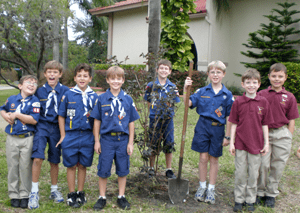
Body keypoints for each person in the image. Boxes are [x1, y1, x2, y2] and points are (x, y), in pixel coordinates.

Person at [183, 60, 233, 204]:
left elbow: (230, 117)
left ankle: (211, 188)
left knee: (214, 159)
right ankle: (202, 186)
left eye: (218, 72)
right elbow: (188, 103)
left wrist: (228, 136)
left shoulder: (227, 95)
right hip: (202, 127)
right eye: (212, 72)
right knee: (203, 158)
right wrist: (186, 89)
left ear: (223, 74)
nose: (215, 75)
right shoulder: (202, 91)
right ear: (208, 74)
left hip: (218, 129)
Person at [91, 66, 140, 211]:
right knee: (103, 168)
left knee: (123, 169)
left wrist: (130, 143)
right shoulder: (101, 99)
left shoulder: (128, 99)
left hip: (122, 140)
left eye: (119, 78)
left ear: (123, 80)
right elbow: (97, 121)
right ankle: (102, 197)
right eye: (112, 78)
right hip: (106, 140)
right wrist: (97, 141)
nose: (115, 81)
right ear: (107, 80)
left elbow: (131, 122)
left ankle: (121, 196)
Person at [228, 69, 273, 212]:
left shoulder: (263, 102)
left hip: (257, 144)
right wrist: (231, 142)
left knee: (254, 173)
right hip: (241, 143)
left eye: (254, 82)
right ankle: (239, 199)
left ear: (259, 84)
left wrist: (266, 143)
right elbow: (234, 123)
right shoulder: (238, 102)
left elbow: (265, 124)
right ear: (243, 84)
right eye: (248, 82)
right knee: (240, 173)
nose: (251, 85)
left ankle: (250, 200)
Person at [256, 63, 299, 208]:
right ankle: (260, 191)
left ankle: (271, 193)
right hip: (264, 132)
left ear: (285, 78)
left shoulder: (289, 97)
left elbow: (291, 119)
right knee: (262, 164)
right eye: (274, 76)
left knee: (277, 165)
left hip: (282, 133)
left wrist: (289, 136)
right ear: (268, 77)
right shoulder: (261, 94)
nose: (277, 79)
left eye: (280, 76)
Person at [28, 61, 69, 209]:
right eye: (49, 72)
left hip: (58, 128)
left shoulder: (65, 91)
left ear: (60, 74)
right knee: (38, 157)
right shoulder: (38, 92)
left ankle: (54, 189)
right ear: (45, 74)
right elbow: (26, 98)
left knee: (54, 159)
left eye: (55, 72)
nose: (52, 74)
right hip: (42, 126)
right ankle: (34, 191)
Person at [56, 63, 98, 208]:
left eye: (85, 76)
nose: (82, 78)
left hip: (87, 136)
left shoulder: (94, 97)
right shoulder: (68, 95)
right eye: (79, 76)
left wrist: (96, 138)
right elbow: (61, 116)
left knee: (83, 165)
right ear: (74, 78)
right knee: (71, 165)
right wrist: (63, 135)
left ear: (90, 78)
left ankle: (80, 192)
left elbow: (97, 119)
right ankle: (71, 193)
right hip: (71, 135)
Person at [0, 75, 40, 209]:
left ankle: (24, 194)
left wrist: (16, 115)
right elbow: (2, 108)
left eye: (35, 83)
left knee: (25, 167)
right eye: (28, 82)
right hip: (12, 138)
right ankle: (14, 194)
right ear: (20, 86)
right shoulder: (12, 99)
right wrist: (5, 115)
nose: (32, 84)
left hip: (27, 138)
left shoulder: (35, 101)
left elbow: (34, 120)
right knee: (12, 166)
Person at [144, 59, 180, 178]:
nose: (163, 70)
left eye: (166, 68)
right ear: (157, 70)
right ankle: (151, 168)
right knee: (153, 143)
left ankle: (168, 169)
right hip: (154, 118)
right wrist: (153, 113)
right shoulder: (151, 86)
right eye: (161, 68)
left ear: (169, 71)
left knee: (169, 143)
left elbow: (175, 102)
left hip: (168, 119)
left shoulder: (173, 87)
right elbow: (148, 101)